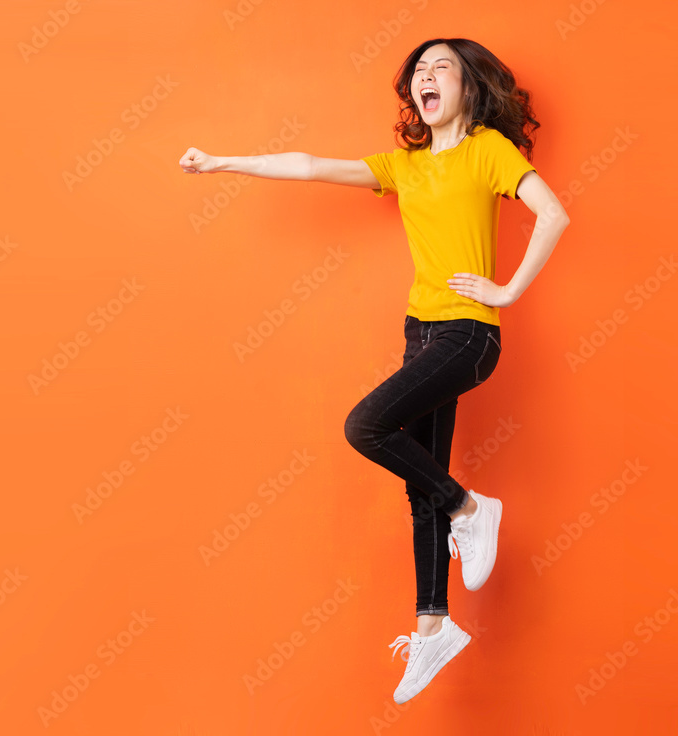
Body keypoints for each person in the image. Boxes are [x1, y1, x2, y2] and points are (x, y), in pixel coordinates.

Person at [178, 37, 569, 703]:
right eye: (419, 71)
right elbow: (308, 165)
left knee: (366, 426)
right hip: (420, 332)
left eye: (440, 66)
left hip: (468, 333)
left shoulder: (488, 151)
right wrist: (221, 162)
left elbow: (554, 213)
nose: (426, 76)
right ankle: (432, 628)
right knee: (421, 484)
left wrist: (507, 292)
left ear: (469, 87)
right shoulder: (405, 165)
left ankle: (473, 508)